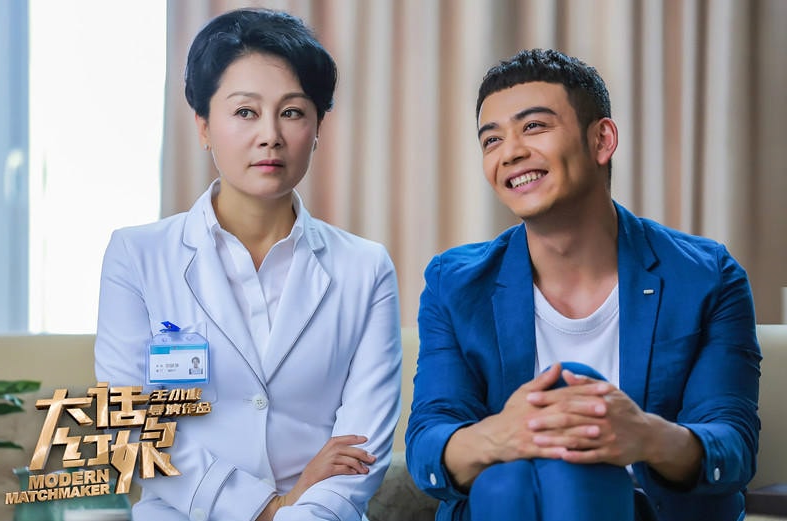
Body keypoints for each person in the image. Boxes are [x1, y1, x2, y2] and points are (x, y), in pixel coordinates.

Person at [405, 48, 760, 521]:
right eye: (491, 140)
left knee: (557, 466)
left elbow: (732, 445)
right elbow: (428, 442)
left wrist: (644, 435)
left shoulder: (706, 276)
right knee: (507, 478)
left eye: (534, 126)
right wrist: (504, 434)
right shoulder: (455, 284)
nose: (510, 152)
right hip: (507, 504)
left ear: (602, 140)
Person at [94, 8, 401, 521]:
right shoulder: (137, 256)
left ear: (317, 128)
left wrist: (296, 514)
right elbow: (130, 427)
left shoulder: (365, 269)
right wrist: (265, 509)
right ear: (203, 126)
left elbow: (360, 446)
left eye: (293, 112)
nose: (270, 135)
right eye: (244, 112)